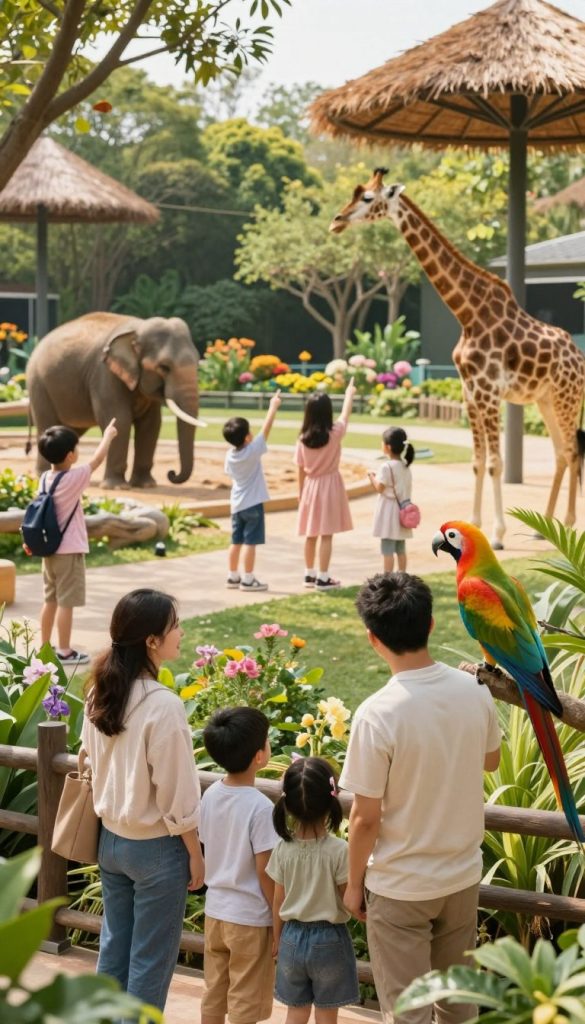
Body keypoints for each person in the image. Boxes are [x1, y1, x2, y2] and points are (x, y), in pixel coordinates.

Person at [340, 573, 501, 1024]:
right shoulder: (475, 690)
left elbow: (365, 818)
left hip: (400, 886)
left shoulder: (377, 713)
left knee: (406, 1012)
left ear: (373, 638)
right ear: (430, 625)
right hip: (462, 876)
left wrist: (353, 885)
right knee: (459, 1006)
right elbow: (491, 762)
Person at [80, 589, 204, 1015]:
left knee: (113, 951)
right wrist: (195, 854)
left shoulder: (100, 689)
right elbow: (178, 794)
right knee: (150, 961)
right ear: (152, 641)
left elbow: (88, 756)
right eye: (174, 627)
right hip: (156, 850)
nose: (181, 633)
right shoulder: (163, 706)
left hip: (111, 843)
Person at [200, 707, 278, 1024]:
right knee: (246, 997)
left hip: (216, 912)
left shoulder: (211, 794)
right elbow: (265, 871)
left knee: (214, 992)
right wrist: (277, 918)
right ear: (259, 756)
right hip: (250, 918)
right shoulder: (260, 807)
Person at [267, 756, 359, 1024]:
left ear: (289, 805)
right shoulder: (339, 851)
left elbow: (277, 901)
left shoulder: (283, 849)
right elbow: (348, 898)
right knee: (327, 1013)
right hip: (329, 940)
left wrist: (277, 939)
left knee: (295, 1011)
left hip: (291, 938)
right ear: (332, 800)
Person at [38, 419, 117, 665]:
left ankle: (44, 646)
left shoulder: (45, 478)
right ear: (71, 455)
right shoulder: (73, 478)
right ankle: (64, 650)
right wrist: (108, 436)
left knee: (50, 599)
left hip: (48, 550)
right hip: (68, 551)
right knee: (66, 603)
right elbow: (97, 459)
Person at [295, 379, 355, 590]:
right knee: (326, 533)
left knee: (311, 533)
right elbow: (345, 415)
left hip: (310, 486)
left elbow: (300, 469)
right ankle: (323, 576)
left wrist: (301, 493)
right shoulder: (335, 433)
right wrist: (349, 393)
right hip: (330, 485)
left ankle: (309, 574)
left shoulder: (302, 439)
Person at [223, 391, 282, 592]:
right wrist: (273, 406)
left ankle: (232, 576)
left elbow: (228, 473)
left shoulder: (230, 456)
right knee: (250, 543)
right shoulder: (253, 450)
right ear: (247, 436)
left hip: (236, 504)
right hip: (253, 504)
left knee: (236, 541)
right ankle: (248, 579)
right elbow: (266, 428)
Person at [368, 426, 415, 572]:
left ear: (387, 447)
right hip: (403, 511)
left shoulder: (386, 467)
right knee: (400, 549)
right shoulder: (405, 466)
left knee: (387, 549)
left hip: (389, 513)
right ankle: (402, 576)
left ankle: (388, 578)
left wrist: (371, 477)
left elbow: (380, 488)